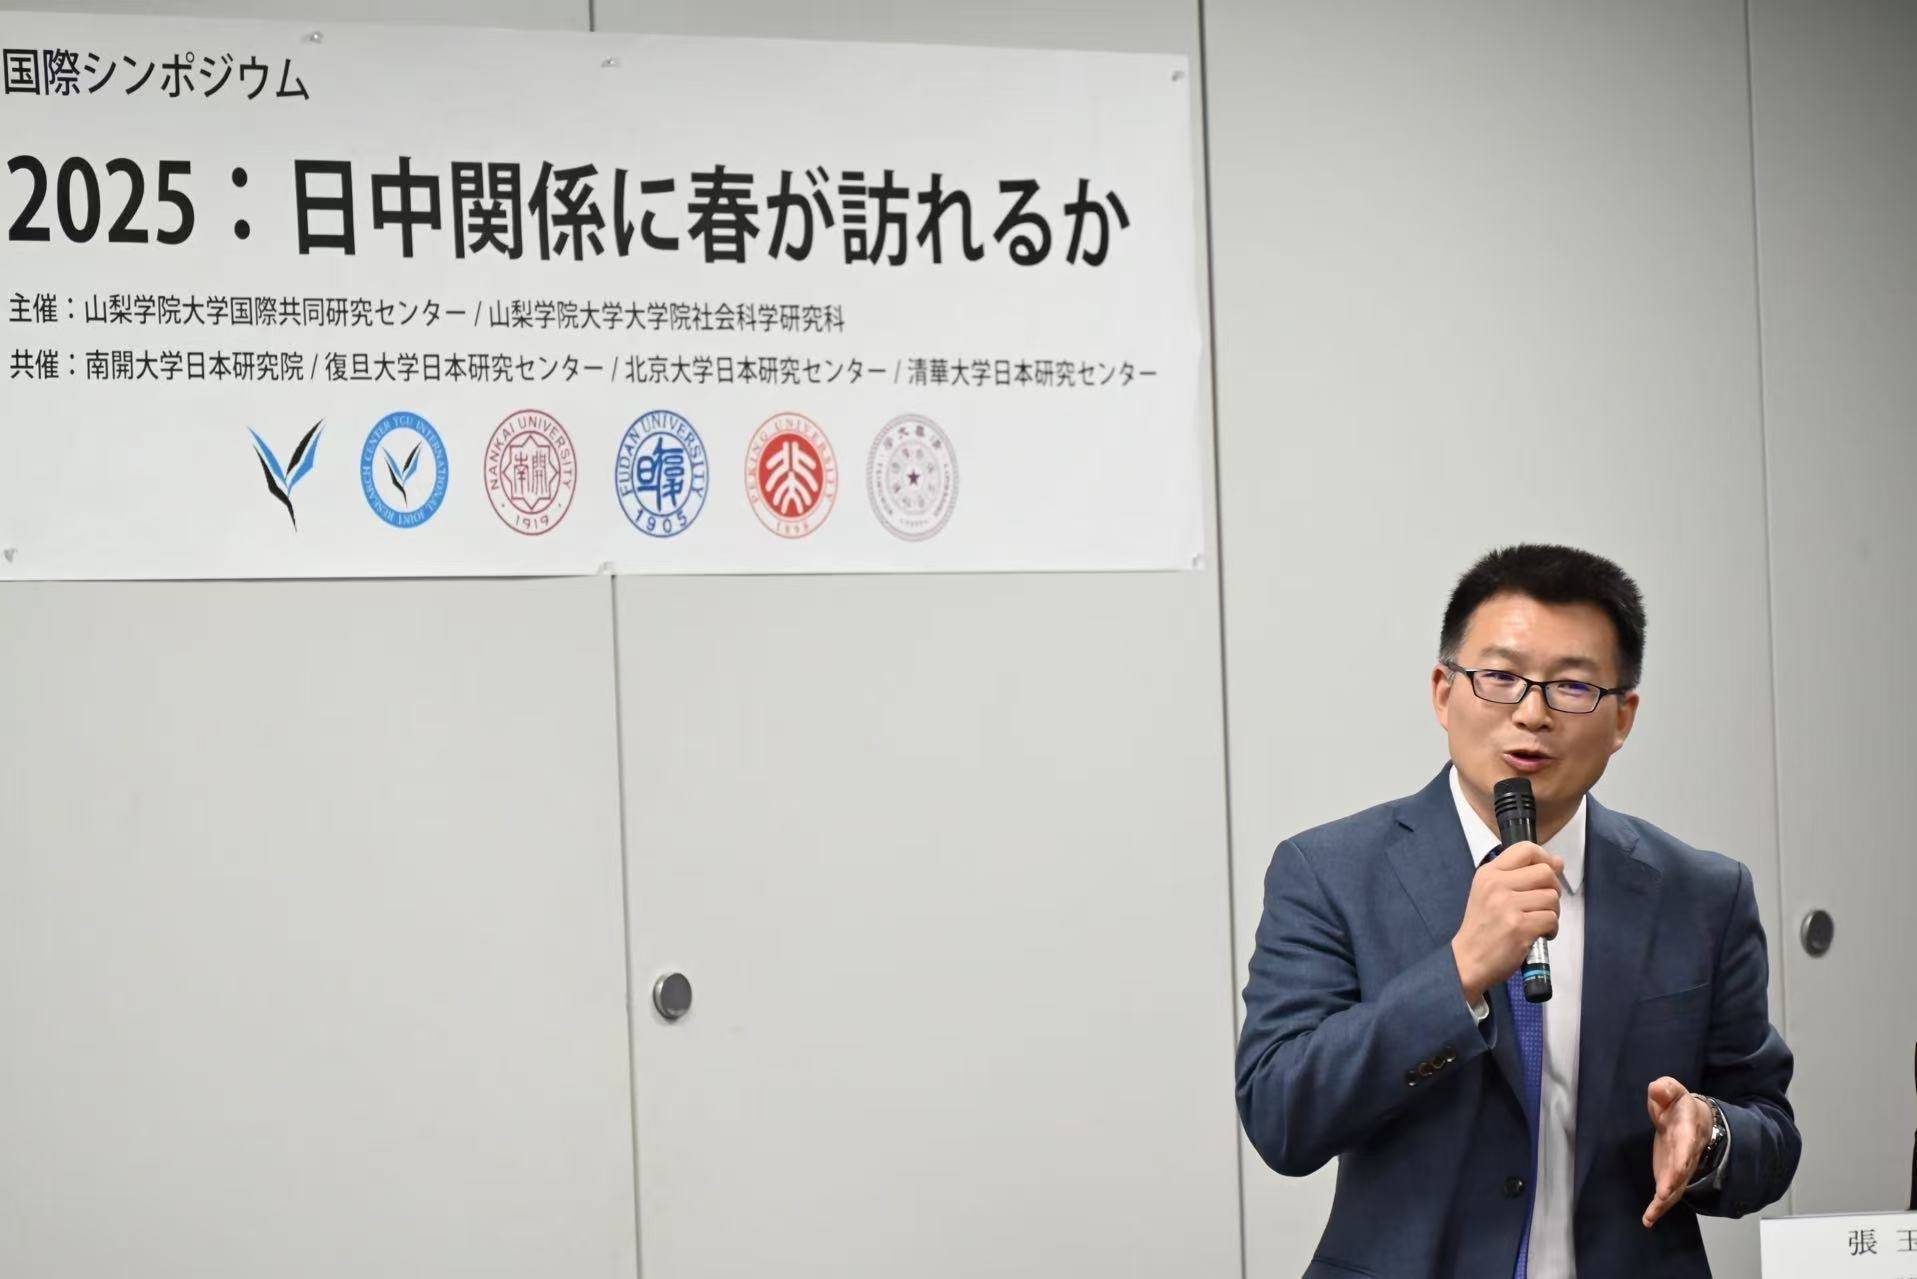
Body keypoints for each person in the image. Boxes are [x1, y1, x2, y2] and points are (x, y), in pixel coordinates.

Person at [1236, 544, 1798, 1278]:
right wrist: (1457, 974)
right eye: (1499, 677)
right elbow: (1281, 1114)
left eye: (1572, 686)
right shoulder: (1330, 872)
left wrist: (1712, 1134)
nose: (1531, 714)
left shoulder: (1702, 894)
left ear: (1622, 718)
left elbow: (1769, 1130)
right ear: (1444, 692)